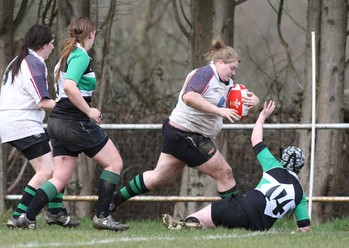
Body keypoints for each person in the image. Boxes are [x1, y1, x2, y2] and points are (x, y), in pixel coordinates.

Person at [110, 38, 259, 211]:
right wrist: (220, 111)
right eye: (232, 68)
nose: (233, 73)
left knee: (159, 177)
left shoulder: (228, 84)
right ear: (219, 63)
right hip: (187, 135)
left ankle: (112, 202)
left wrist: (254, 100)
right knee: (225, 173)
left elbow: (243, 100)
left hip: (180, 134)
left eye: (235, 69)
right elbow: (189, 97)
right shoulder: (205, 74)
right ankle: (236, 216)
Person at [16, 17, 128, 231]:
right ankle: (102, 217)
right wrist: (89, 111)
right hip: (74, 121)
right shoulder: (80, 56)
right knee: (114, 163)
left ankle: (27, 217)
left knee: (60, 177)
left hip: (57, 122)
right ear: (91, 34)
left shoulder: (65, 56)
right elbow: (69, 86)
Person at [162, 101, 311, 232]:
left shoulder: (274, 167)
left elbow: (256, 139)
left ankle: (186, 223)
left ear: (283, 160)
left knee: (198, 218)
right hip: (260, 226)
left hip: (242, 208)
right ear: (300, 167)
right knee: (224, 220)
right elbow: (304, 228)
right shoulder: (300, 193)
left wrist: (262, 117)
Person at [0, 24, 78, 228]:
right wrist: (75, 109)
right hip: (22, 124)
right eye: (51, 43)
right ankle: (18, 217)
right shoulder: (34, 62)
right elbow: (43, 101)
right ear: (43, 44)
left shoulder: (18, 60)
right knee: (47, 170)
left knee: (53, 165)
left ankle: (55, 212)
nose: (53, 47)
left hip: (13, 122)